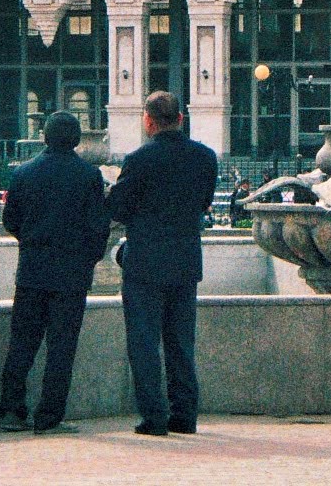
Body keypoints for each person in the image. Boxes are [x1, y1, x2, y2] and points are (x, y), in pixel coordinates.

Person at [107, 91, 219, 437]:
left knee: (144, 343)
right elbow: (204, 203)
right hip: (185, 261)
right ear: (181, 119)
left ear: (148, 121)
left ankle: (153, 417)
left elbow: (118, 209)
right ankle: (185, 415)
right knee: (181, 343)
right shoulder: (205, 157)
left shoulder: (138, 159)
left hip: (144, 264)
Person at [0, 111, 110, 435]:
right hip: (71, 275)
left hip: (32, 271)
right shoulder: (88, 176)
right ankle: (49, 417)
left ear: (44, 136)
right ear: (76, 139)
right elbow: (98, 226)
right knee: (62, 348)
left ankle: (11, 411)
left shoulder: (24, 173)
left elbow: (11, 221)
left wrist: (31, 241)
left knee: (21, 344)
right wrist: (89, 258)